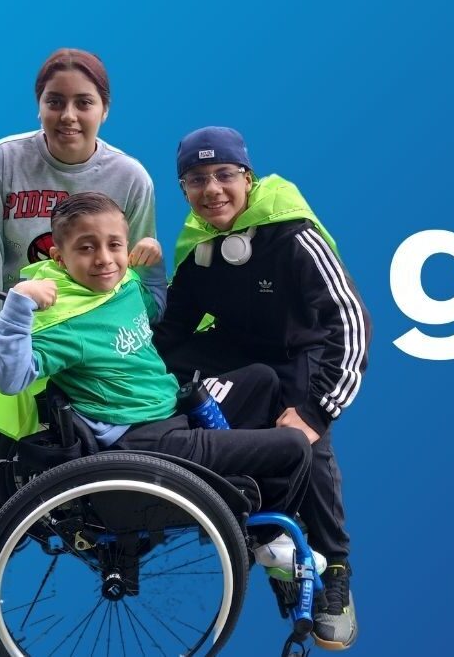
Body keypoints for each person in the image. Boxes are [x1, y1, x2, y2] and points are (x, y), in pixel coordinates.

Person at [0, 192, 315, 567]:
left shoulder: (120, 285)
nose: (104, 259)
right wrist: (18, 305)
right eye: (86, 248)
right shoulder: (64, 320)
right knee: (294, 446)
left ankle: (240, 492)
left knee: (262, 379)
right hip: (146, 439)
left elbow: (154, 309)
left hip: (169, 407)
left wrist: (150, 267)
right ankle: (265, 541)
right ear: (60, 258)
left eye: (115, 245)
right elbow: (11, 380)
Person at [0, 48, 156, 550]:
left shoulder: (130, 178)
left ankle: (26, 505)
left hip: (79, 319)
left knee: (33, 423)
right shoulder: (2, 160)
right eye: (55, 101)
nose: (68, 115)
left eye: (83, 102)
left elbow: (137, 273)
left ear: (104, 109)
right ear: (39, 105)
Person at [152, 126, 371, 650]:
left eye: (224, 175)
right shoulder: (200, 245)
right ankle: (268, 543)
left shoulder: (293, 235)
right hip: (238, 349)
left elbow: (352, 322)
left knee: (304, 442)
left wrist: (316, 412)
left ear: (247, 178)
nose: (212, 190)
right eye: (196, 179)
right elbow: (176, 327)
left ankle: (334, 570)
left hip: (302, 350)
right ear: (184, 188)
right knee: (173, 376)